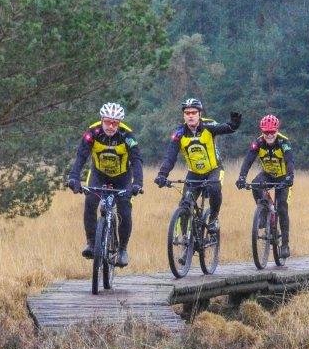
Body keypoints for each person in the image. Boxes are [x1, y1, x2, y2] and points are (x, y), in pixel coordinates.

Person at [68, 102, 143, 267]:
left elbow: (136, 160)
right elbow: (81, 156)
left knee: (124, 209)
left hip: (122, 177)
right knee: (90, 202)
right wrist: (74, 177)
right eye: (107, 121)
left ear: (119, 123)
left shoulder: (127, 135)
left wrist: (137, 183)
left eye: (115, 123)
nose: (111, 126)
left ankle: (122, 250)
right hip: (98, 175)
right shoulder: (92, 132)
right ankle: (91, 243)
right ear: (102, 120)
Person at [154, 98, 241, 232]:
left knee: (214, 188)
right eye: (187, 113)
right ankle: (184, 240)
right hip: (194, 173)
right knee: (185, 204)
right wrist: (162, 174)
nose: (190, 115)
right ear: (184, 115)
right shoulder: (179, 133)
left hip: (214, 169)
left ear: (199, 114)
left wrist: (233, 125)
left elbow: (224, 128)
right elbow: (170, 157)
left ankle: (213, 218)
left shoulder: (208, 126)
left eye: (193, 112)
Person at [236, 114, 294, 259]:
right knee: (255, 184)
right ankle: (263, 209)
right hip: (267, 174)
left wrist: (289, 177)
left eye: (272, 132)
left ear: (277, 130)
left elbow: (290, 162)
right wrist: (242, 177)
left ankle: (285, 244)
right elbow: (248, 160)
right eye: (266, 132)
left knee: (282, 208)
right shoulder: (258, 143)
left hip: (283, 177)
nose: (269, 135)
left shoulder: (283, 142)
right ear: (262, 131)